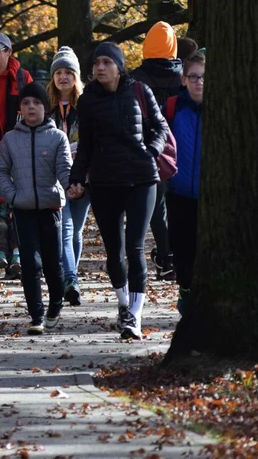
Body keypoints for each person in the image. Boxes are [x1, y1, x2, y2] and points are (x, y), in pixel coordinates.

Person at [67, 42, 168, 340]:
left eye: (106, 62)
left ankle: (134, 316)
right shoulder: (86, 101)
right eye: (96, 62)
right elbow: (84, 147)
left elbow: (160, 127)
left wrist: (151, 151)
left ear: (119, 67)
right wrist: (77, 178)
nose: (100, 68)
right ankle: (124, 303)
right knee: (114, 251)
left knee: (135, 247)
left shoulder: (139, 91)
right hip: (105, 181)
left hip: (141, 179)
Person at [0, 82, 72, 335]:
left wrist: (72, 187)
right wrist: (13, 195)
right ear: (20, 108)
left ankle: (55, 306)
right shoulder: (10, 139)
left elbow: (65, 170)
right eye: (26, 103)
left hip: (51, 208)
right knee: (30, 263)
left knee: (52, 263)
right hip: (23, 209)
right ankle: (36, 315)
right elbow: (0, 172)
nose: (31, 107)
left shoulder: (58, 137)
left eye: (36, 103)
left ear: (45, 107)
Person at [130, 21, 182, 282]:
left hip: (150, 149)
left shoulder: (136, 78)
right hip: (181, 147)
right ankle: (181, 252)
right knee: (182, 203)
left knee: (157, 205)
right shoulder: (185, 76)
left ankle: (166, 254)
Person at [0, 32, 32, 279]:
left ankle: (17, 256)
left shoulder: (22, 79)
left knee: (15, 206)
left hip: (15, 153)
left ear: (9, 52)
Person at [47, 47, 90, 306]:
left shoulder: (86, 105)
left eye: (68, 72)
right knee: (65, 228)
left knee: (76, 231)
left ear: (76, 76)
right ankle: (69, 279)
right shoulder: (46, 106)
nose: (63, 77)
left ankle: (69, 277)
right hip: (56, 178)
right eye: (58, 72)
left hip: (83, 177)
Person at [166, 52, 204, 315]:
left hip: (210, 194)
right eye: (194, 76)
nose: (199, 82)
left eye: (204, 77)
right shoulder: (173, 107)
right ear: (183, 79)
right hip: (178, 191)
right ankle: (185, 290)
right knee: (181, 246)